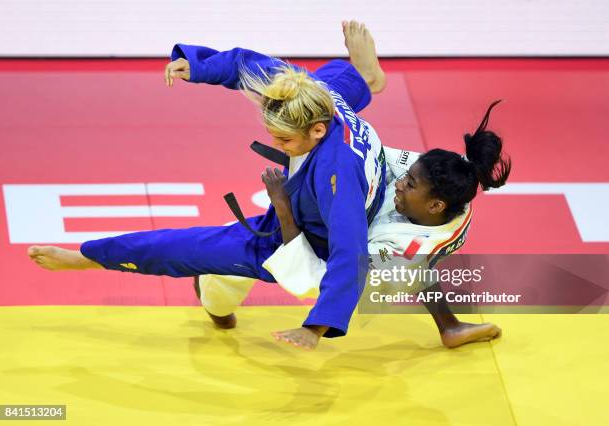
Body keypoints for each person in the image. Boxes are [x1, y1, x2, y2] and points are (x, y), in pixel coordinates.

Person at [27, 21, 387, 350]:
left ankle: (87, 258)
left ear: (317, 130)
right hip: (307, 194)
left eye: (284, 140)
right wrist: (199, 67)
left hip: (307, 243)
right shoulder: (306, 93)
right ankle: (365, 77)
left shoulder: (336, 177)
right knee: (333, 82)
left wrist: (316, 327)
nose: (276, 146)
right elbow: (245, 65)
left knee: (184, 248)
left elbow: (349, 251)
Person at [201, 100, 510, 350]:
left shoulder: (401, 253)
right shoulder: (446, 174)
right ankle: (450, 327)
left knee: (250, 250)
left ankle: (213, 298)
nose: (401, 184)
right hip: (414, 234)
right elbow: (369, 155)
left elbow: (329, 275)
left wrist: (282, 205)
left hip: (387, 261)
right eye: (407, 176)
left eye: (410, 184)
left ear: (435, 204)